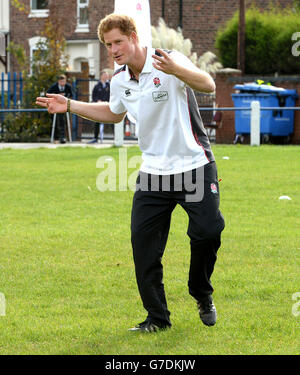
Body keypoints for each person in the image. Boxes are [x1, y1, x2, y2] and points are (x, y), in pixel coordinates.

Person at [36, 13, 225, 333]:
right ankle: (157, 319)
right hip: (153, 173)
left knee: (208, 231)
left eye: (118, 42)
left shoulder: (167, 59)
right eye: (108, 45)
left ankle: (201, 292)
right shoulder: (121, 80)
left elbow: (207, 84)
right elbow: (113, 112)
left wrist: (177, 69)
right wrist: (69, 105)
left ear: (134, 36)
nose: (113, 49)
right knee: (144, 247)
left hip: (194, 165)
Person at [47, 74, 73, 143]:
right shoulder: (54, 87)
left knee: (63, 121)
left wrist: (66, 97)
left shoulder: (68, 87)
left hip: (64, 106)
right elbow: (48, 94)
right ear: (58, 81)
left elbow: (71, 95)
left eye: (64, 81)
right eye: (61, 82)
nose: (63, 83)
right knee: (54, 122)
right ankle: (56, 138)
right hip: (55, 106)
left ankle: (63, 138)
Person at [89, 70, 110, 143]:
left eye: (107, 75)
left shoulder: (110, 85)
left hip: (108, 106)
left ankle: (115, 138)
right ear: (101, 76)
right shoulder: (97, 86)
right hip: (99, 107)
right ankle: (95, 138)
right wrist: (98, 100)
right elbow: (94, 96)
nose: (106, 77)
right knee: (97, 121)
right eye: (105, 75)